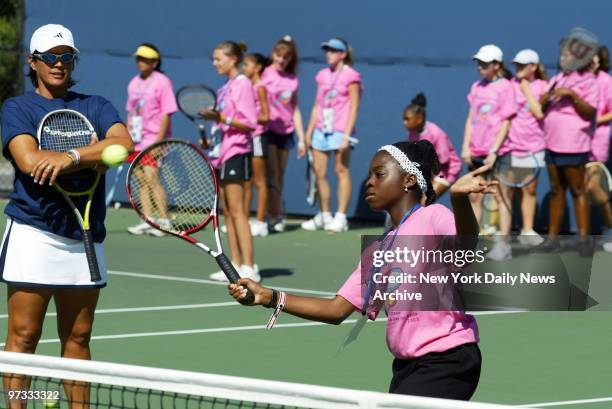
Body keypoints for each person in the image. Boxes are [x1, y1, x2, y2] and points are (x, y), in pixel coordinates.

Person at [230, 140, 494, 400]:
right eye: (370, 175)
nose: (369, 182)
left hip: (448, 359)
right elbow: (336, 310)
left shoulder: (433, 216)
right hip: (406, 366)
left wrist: (459, 199)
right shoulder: (378, 250)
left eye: (380, 174)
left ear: (408, 180)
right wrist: (269, 297)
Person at [0, 24, 133, 407]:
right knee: (23, 337)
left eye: (67, 57)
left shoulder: (96, 105)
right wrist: (93, 154)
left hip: (85, 234)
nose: (59, 64)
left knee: (78, 337)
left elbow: (123, 143)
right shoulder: (18, 108)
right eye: (51, 57)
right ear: (33, 62)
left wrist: (69, 156)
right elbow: (29, 162)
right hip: (34, 232)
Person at [538, 28, 600, 255]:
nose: (562, 57)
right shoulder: (557, 79)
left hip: (574, 144)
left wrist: (572, 96)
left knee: (577, 189)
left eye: (567, 55)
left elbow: (589, 113)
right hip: (551, 143)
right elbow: (542, 109)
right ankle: (552, 239)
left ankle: (584, 240)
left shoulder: (589, 81)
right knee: (556, 190)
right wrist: (544, 99)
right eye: (562, 54)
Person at [202, 41, 260, 282]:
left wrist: (221, 117)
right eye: (214, 59)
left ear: (233, 59)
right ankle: (235, 265)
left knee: (239, 212)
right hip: (221, 152)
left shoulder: (243, 84)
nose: (215, 63)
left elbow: (250, 122)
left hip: (237, 152)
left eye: (219, 59)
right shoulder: (225, 87)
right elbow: (224, 121)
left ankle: (250, 265)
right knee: (228, 212)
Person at [487, 49, 548, 260]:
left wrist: (526, 90)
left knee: (530, 191)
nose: (518, 69)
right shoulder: (508, 86)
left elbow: (540, 113)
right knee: (506, 194)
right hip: (510, 148)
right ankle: (503, 245)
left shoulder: (543, 86)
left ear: (533, 67)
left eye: (523, 65)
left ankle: (527, 230)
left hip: (535, 148)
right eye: (517, 65)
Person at [302, 38, 362, 232]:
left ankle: (341, 217)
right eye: (327, 50)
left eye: (333, 50)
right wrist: (308, 132)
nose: (329, 54)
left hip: (340, 130)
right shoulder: (322, 75)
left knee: (341, 171)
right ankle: (325, 214)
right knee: (320, 173)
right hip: (321, 129)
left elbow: (354, 107)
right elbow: (317, 105)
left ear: (343, 54)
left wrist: (346, 135)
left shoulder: (351, 76)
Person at [125, 43, 178, 237]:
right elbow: (130, 112)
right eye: (139, 58)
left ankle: (164, 221)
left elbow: (166, 113)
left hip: (154, 139)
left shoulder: (162, 82)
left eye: (145, 59)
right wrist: (128, 137)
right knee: (140, 180)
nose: (140, 62)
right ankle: (147, 220)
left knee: (152, 178)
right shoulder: (133, 83)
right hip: (137, 140)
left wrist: (158, 142)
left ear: (155, 62)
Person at [461, 44, 515, 234]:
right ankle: (471, 246)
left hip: (499, 153)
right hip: (476, 152)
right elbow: (471, 118)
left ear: (497, 65)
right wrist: (466, 146)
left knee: (502, 197)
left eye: (484, 64)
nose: (480, 67)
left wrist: (494, 151)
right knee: (475, 197)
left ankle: (503, 245)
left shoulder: (507, 87)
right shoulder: (476, 87)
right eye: (479, 63)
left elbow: (507, 122)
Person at [259, 36, 306, 233]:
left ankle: (275, 212)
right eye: (278, 56)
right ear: (273, 55)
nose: (281, 60)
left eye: (285, 58)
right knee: (272, 175)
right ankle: (274, 214)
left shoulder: (292, 79)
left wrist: (302, 139)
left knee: (279, 176)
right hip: (268, 130)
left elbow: (295, 109)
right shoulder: (265, 75)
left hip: (286, 133)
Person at [404, 93, 461, 198]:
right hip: (428, 172)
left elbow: (444, 162)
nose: (404, 123)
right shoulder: (412, 133)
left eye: (407, 119)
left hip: (447, 172)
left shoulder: (436, 133)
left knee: (425, 201)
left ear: (419, 119)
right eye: (404, 119)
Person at [586, 46, 612, 251]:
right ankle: (586, 237)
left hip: (598, 141)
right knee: (582, 191)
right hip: (576, 142)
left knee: (593, 187)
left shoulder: (606, 81)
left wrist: (593, 121)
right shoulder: (580, 80)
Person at [243, 53, 271, 237]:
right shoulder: (245, 86)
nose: (244, 68)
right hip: (246, 137)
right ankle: (244, 221)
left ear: (258, 67)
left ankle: (261, 222)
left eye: (247, 64)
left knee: (260, 181)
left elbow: (266, 116)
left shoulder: (260, 87)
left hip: (258, 137)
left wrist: (248, 119)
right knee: (247, 181)